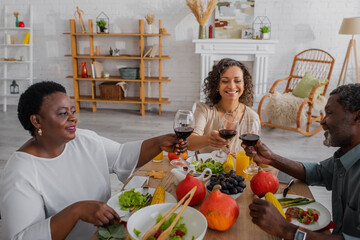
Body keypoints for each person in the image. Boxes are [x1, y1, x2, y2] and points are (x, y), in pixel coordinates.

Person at [0, 81, 187, 240]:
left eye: (72, 111)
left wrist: (158, 142)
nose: (73, 118)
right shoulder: (20, 172)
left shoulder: (84, 140)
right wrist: (76, 211)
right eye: (63, 113)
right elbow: (21, 237)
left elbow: (121, 155)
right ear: (37, 121)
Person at [244, 83, 360, 239]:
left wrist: (286, 229)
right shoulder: (346, 157)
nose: (322, 121)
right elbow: (317, 172)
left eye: (330, 113)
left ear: (357, 117)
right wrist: (271, 158)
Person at [187, 58, 259, 155]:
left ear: (244, 84)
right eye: (225, 81)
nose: (232, 86)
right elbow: (189, 143)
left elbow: (254, 152)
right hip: (207, 169)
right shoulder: (204, 110)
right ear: (217, 85)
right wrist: (208, 139)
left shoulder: (252, 116)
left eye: (237, 81)